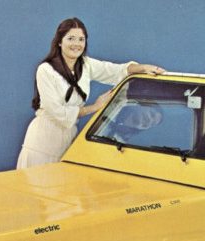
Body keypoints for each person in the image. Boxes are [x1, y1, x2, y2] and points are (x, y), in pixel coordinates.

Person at [16, 17, 166, 168]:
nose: (76, 44)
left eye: (81, 39)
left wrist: (143, 68)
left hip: (68, 140)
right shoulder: (46, 69)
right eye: (71, 38)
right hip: (41, 142)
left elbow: (115, 71)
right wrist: (94, 108)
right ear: (60, 42)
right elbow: (56, 112)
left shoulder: (86, 65)